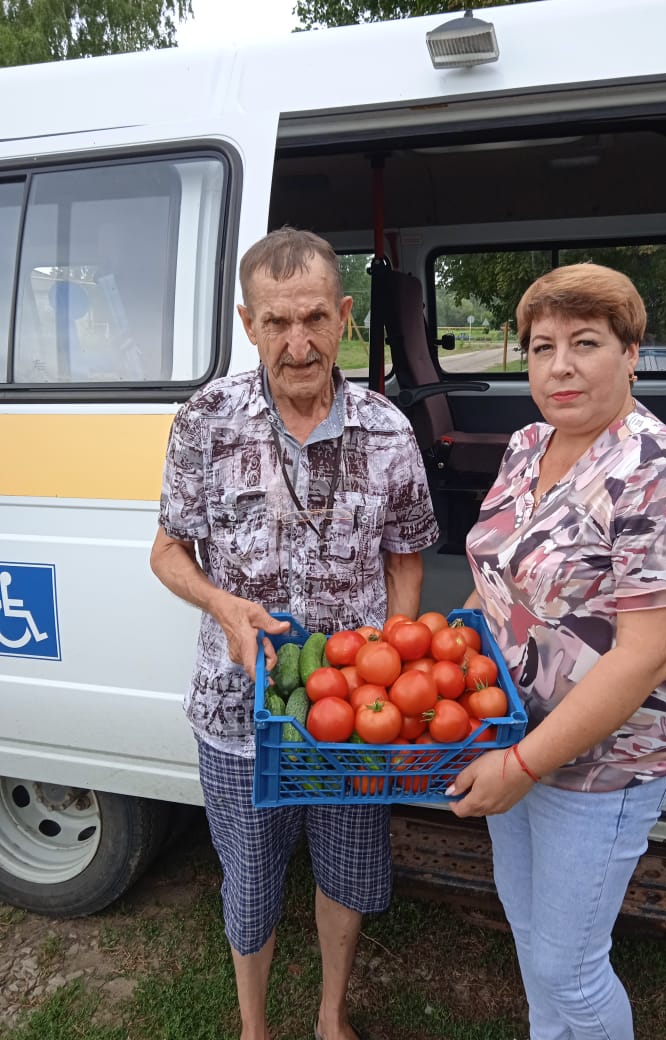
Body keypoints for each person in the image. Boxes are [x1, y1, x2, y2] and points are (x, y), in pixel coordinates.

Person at [150, 227, 439, 1040]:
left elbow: (407, 554)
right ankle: (254, 1028)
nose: (298, 342)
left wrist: (394, 650)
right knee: (248, 881)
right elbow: (167, 551)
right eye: (276, 322)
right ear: (248, 323)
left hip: (352, 717)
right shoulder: (204, 420)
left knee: (347, 873)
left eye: (314, 317)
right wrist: (221, 605)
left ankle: (330, 1016)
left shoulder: (387, 430)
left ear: (345, 316)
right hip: (237, 716)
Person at [447, 263, 666, 1040]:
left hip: (602, 763)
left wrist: (523, 765)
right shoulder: (528, 445)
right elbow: (499, 575)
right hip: (514, 730)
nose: (560, 366)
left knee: (569, 969)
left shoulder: (664, 477)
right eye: (542, 348)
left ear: (632, 352)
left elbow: (641, 659)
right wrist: (447, 644)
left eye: (586, 342)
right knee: (537, 946)